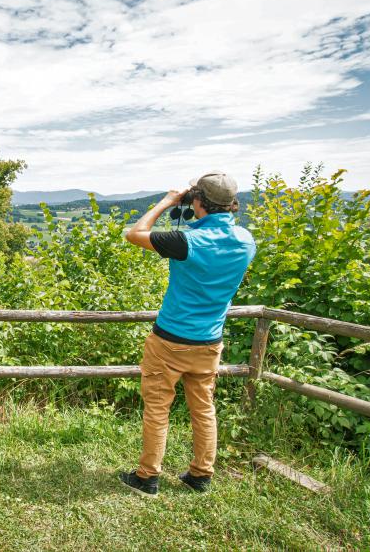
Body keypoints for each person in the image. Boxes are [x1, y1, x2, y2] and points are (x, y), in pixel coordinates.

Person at [118, 171, 256, 497]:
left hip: (169, 339)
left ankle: (148, 476)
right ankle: (201, 475)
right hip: (209, 342)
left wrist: (168, 201)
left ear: (198, 201)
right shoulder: (245, 240)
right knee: (204, 408)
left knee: (157, 407)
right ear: (231, 204)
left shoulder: (187, 242)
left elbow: (135, 233)